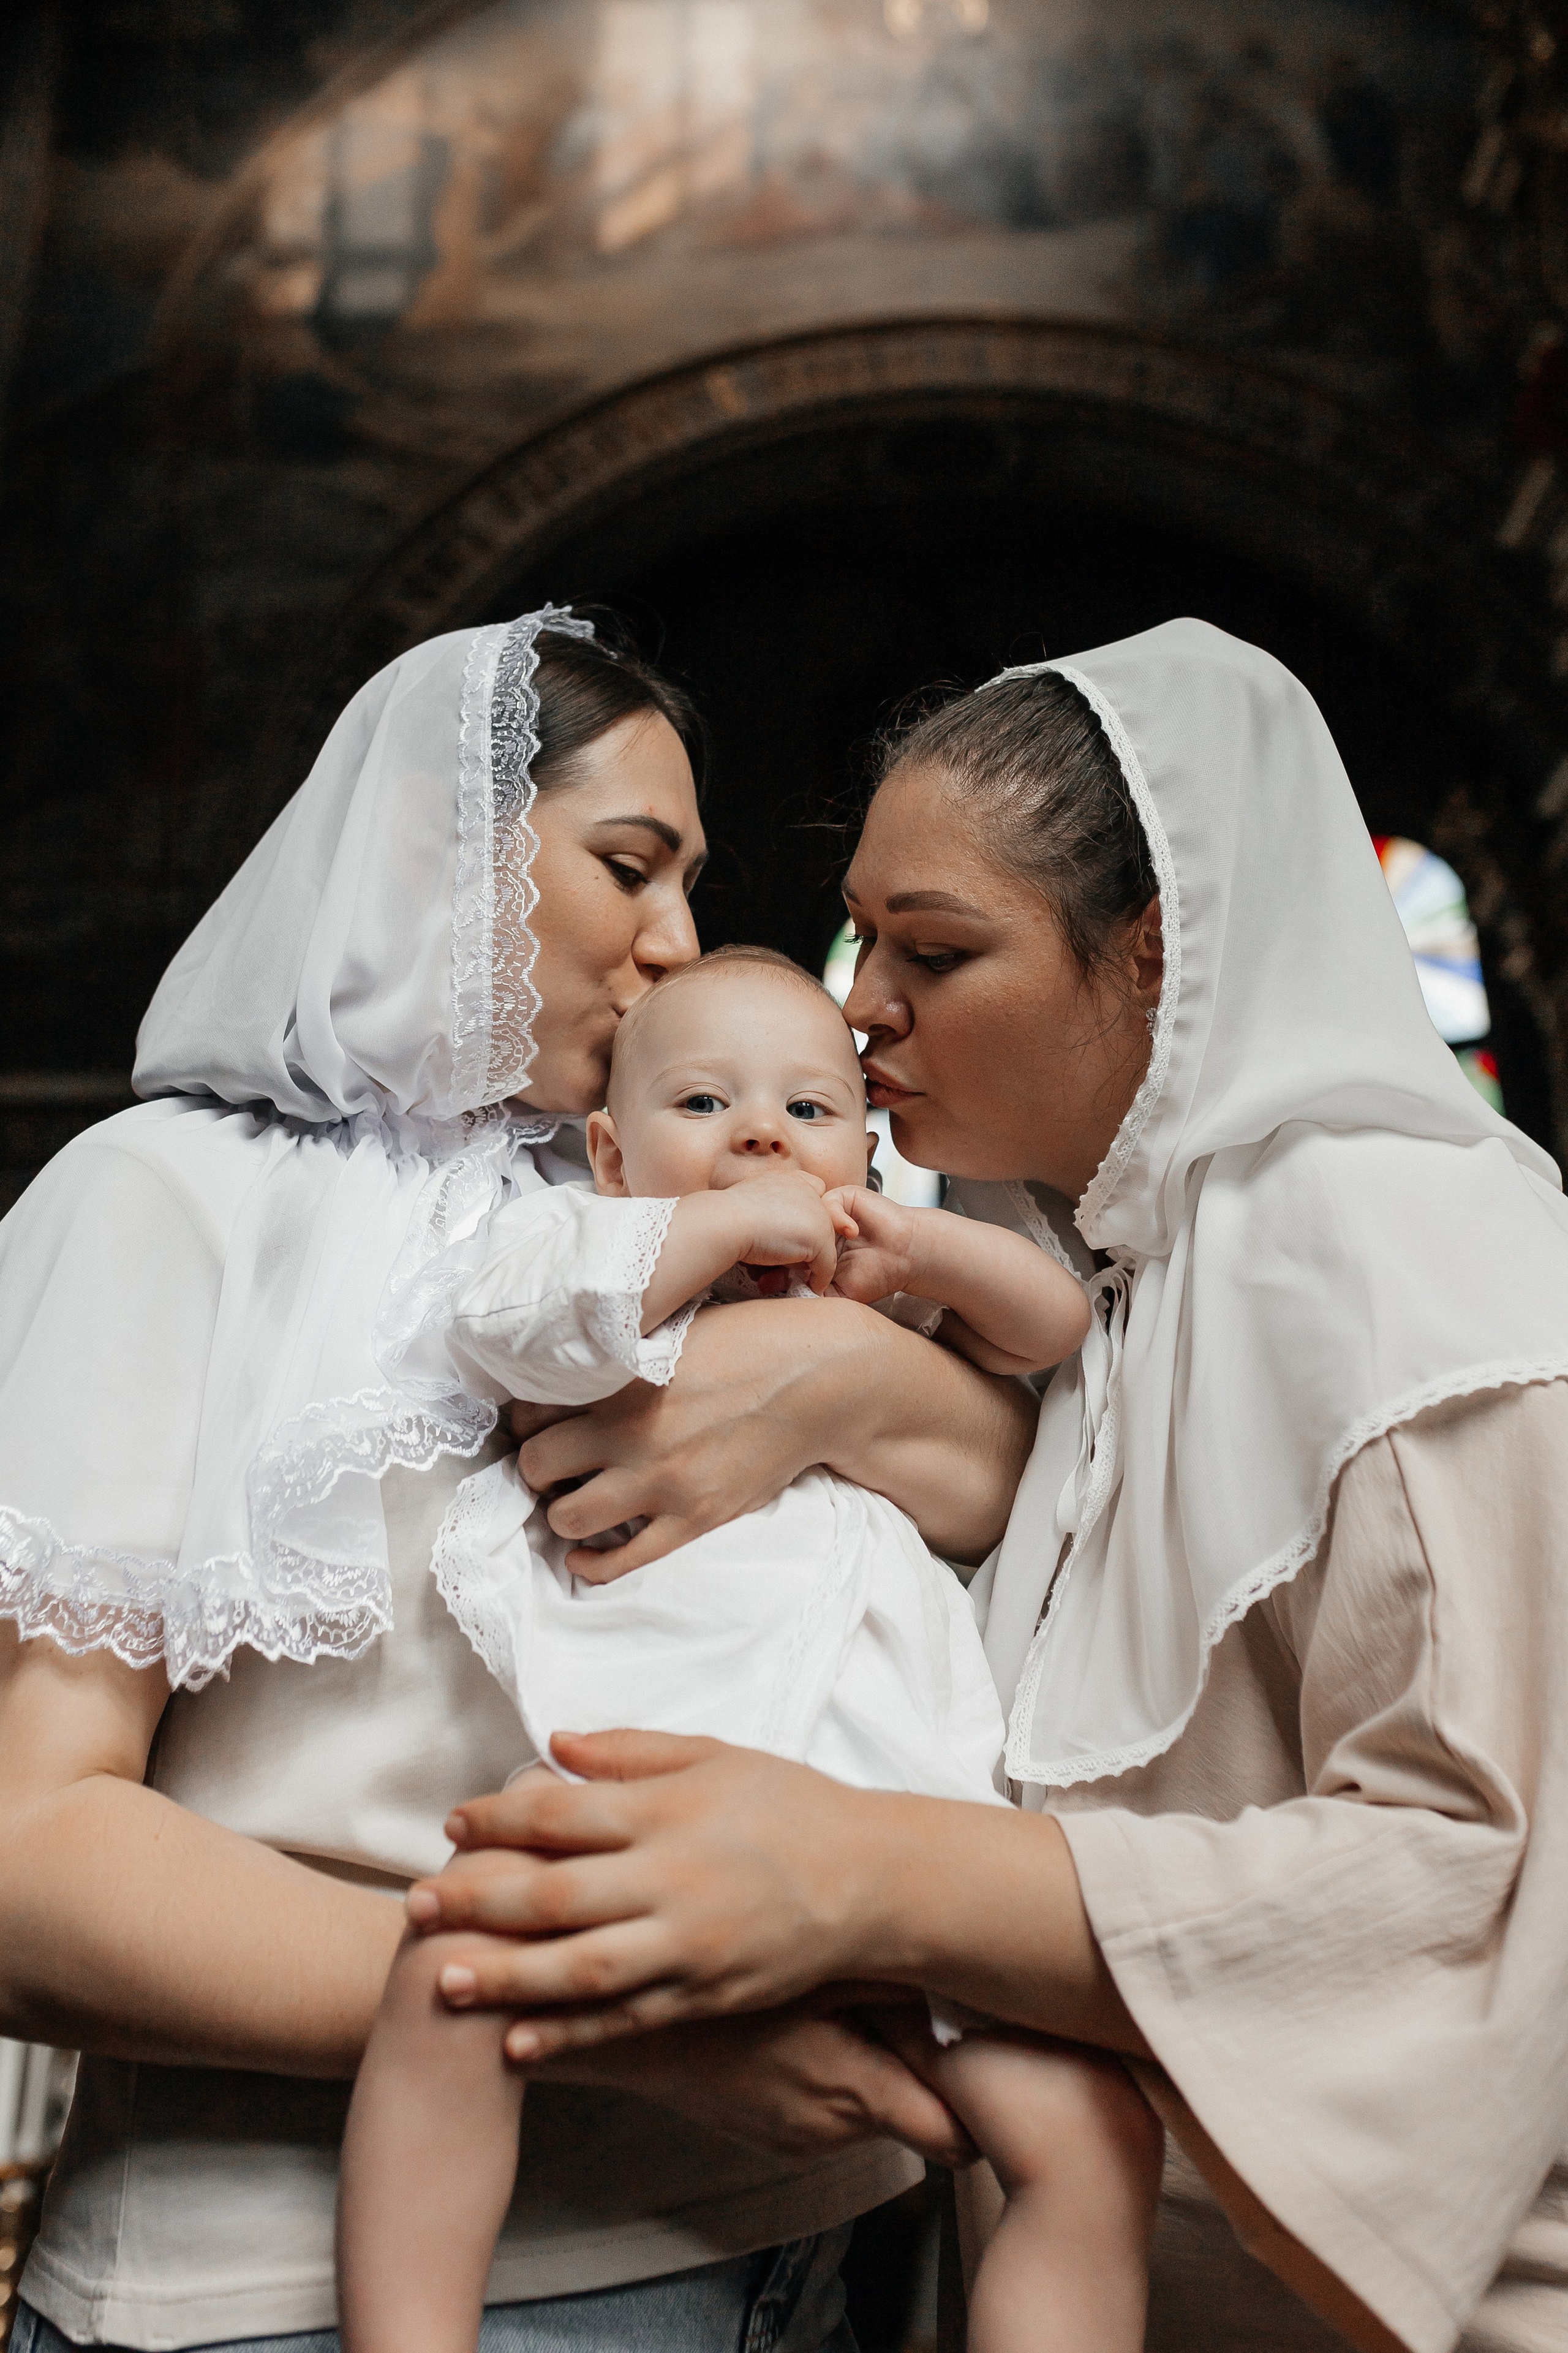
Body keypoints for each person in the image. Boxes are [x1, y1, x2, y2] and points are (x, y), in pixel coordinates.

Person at [395, 619, 1568, 2353]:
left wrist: (879, 1871)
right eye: (865, 936)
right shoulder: (1086, 1257)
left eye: (932, 951)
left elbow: (1481, 1880)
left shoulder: (1412, 1253)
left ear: (1157, 953)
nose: (859, 1000)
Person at [0, 606, 1041, 2353]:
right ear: (433, 845)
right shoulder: (162, 1202)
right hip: (313, 2285)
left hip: (820, 2232)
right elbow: (27, 1851)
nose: (678, 939)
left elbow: (996, 1480)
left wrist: (833, 1375)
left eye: (691, 879)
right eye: (630, 863)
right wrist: (620, 2005)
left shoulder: (657, 1184)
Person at [335, 942, 1144, 2353]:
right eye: (702, 1104)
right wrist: (710, 1232)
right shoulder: (583, 1255)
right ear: (607, 1147)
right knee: (450, 1976)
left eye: (809, 1110)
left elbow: (1050, 1323)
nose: (761, 1134)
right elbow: (510, 1326)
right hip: (639, 1772)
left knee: (1087, 2131)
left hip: (886, 1811)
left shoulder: (866, 1289)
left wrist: (916, 1243)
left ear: (870, 1148)